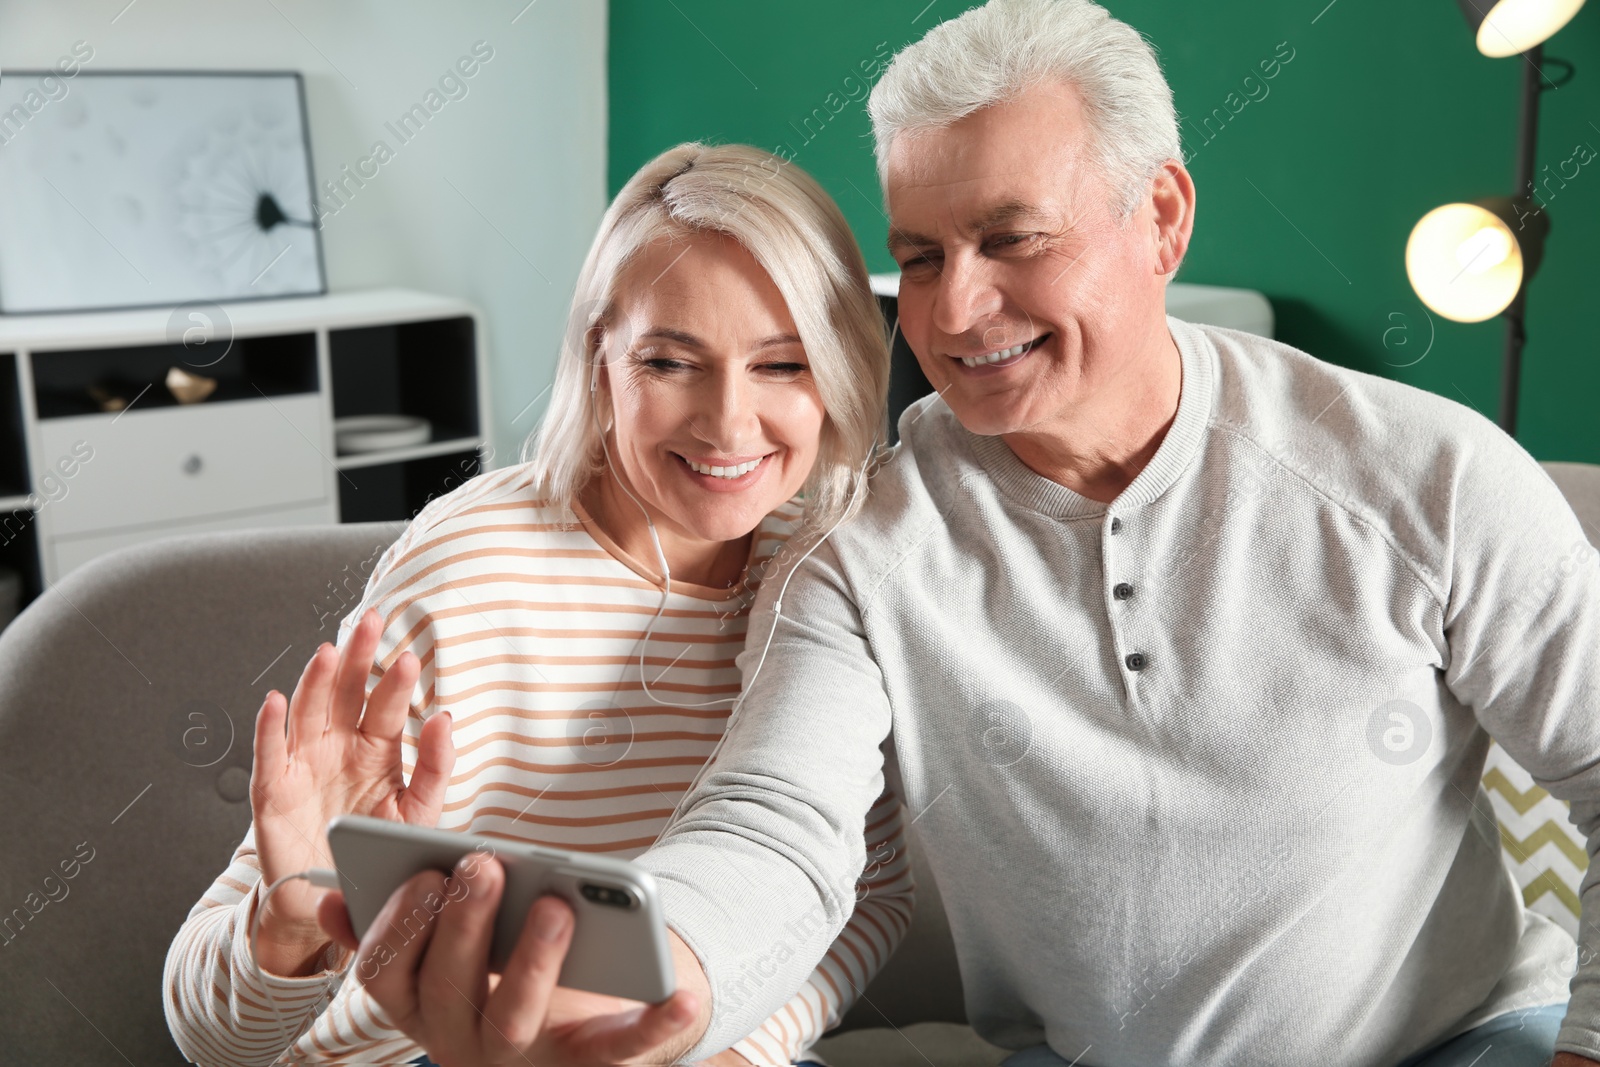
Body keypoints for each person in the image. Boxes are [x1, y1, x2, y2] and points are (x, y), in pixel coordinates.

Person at [161, 141, 908, 1067]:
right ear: (602, 360)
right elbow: (207, 1036)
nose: (727, 422)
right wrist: (289, 925)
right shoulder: (467, 566)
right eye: (673, 362)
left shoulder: (826, 570)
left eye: (782, 366)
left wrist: (724, 1049)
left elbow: (862, 892)